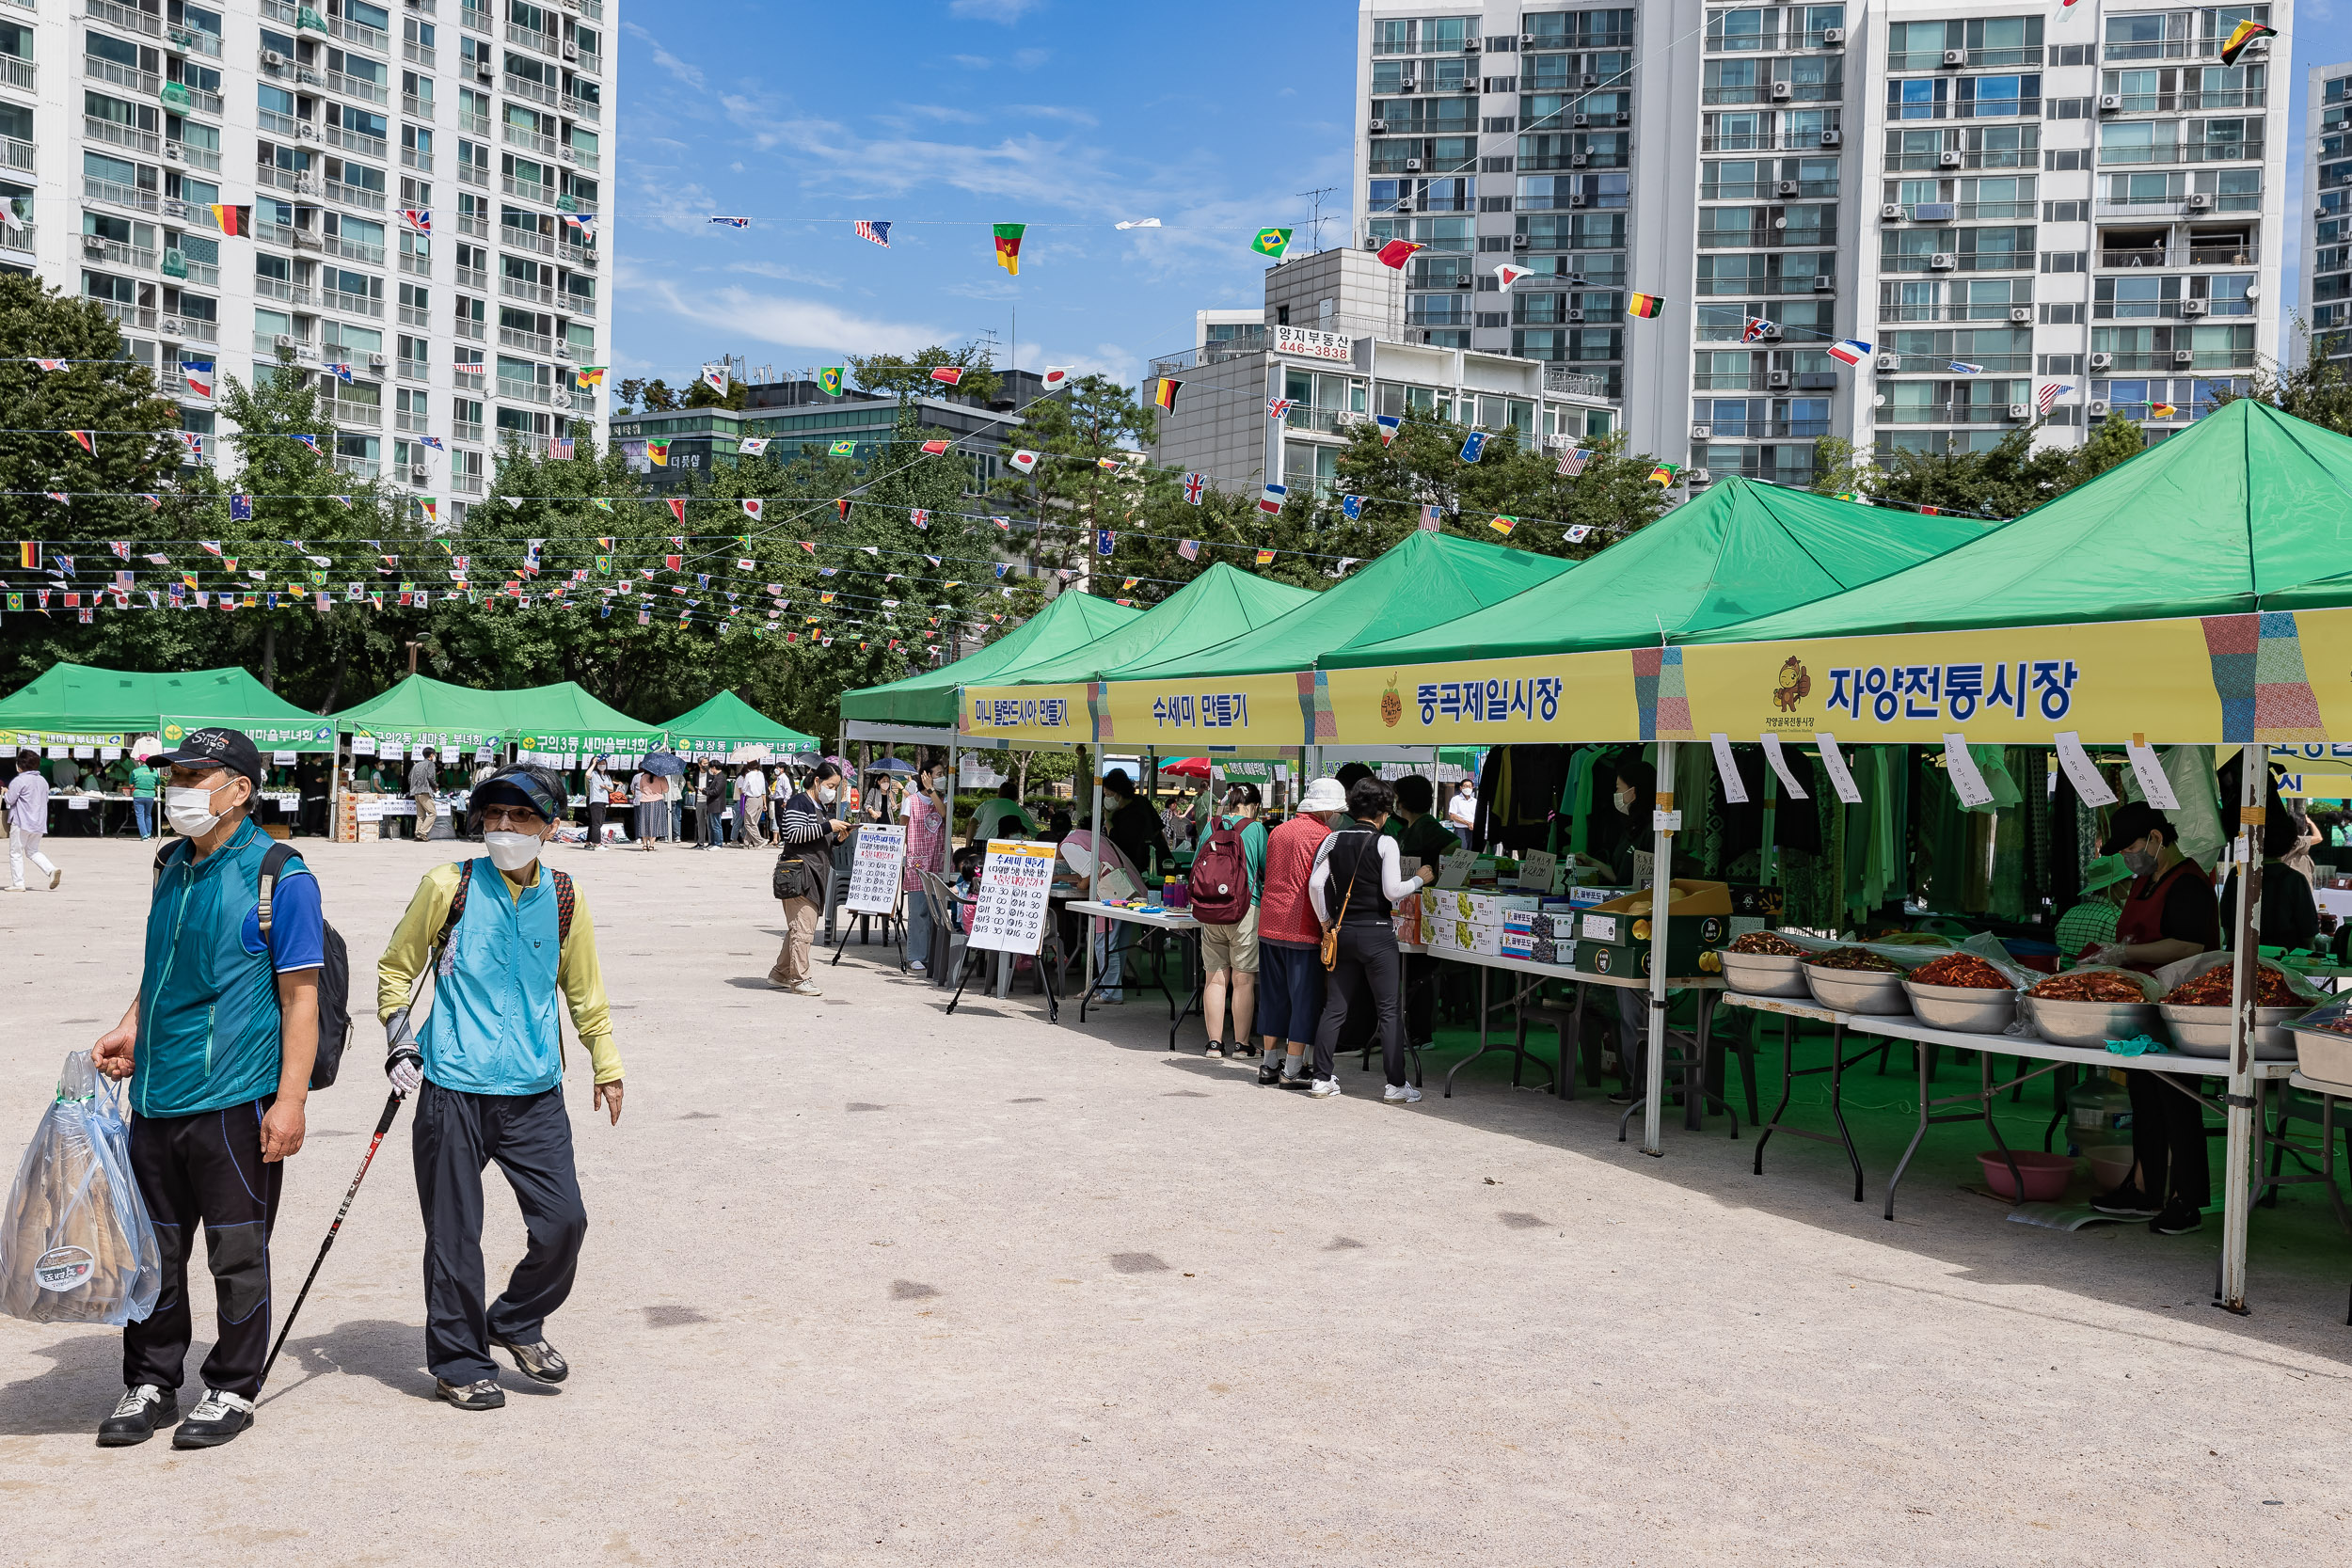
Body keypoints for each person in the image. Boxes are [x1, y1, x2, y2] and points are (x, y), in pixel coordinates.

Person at [89, 727, 322, 1449]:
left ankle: (231, 1384)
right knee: (152, 1252)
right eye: (176, 775)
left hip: (234, 1100)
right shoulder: (170, 864)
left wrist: (291, 1100)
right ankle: (154, 1379)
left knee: (237, 1250)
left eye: (195, 775)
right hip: (156, 1096)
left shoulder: (281, 874)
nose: (178, 788)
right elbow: (161, 964)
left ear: (240, 789)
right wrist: (132, 1023)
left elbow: (301, 998)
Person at [376, 763, 621, 1411]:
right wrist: (400, 1040)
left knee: (565, 1221)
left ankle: (514, 1317)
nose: (505, 828)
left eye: (521, 817)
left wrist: (607, 1061)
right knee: (454, 1235)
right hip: (453, 1087)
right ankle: (458, 1360)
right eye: (494, 815)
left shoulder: (565, 897)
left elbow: (584, 991)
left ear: (551, 827)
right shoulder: (447, 884)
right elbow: (396, 970)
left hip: (535, 1091)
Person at [2087, 800, 2221, 1235]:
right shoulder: (2146, 882)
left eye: (2131, 849)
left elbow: (2188, 946)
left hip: (2182, 1009)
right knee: (2144, 1098)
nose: (2129, 859)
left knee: (2179, 1102)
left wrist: (2127, 953)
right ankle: (2145, 1189)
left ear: (2157, 839)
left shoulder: (2189, 884)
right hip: (2145, 1007)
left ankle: (2188, 1200)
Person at [1306, 776, 1433, 1102]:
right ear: (1384, 812)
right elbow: (1392, 891)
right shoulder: (1386, 842)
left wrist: (1326, 923)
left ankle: (1321, 1078)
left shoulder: (1333, 839)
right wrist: (1419, 879)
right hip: (1377, 934)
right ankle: (1395, 1085)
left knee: (1334, 1007)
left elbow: (1317, 885)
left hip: (1343, 932)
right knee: (1389, 1010)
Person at [1253, 777, 1343, 1086]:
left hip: (1269, 922)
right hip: (1303, 926)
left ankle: (1268, 1064)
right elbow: (1318, 884)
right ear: (1329, 810)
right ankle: (1292, 1069)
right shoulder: (1326, 836)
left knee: (1273, 995)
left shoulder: (1278, 831)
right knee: (1303, 998)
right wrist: (1326, 921)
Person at [1194, 783, 1267, 1060]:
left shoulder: (1211, 826)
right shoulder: (1256, 829)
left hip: (1210, 908)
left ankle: (1214, 1044)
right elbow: (1266, 869)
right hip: (1245, 909)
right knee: (1243, 979)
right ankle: (1241, 1045)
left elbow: (1195, 866)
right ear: (1255, 805)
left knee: (1214, 976)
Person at [1387, 775, 1460, 1051]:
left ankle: (1421, 1033)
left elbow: (1454, 845)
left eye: (1397, 796)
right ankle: (1413, 1030)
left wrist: (1437, 875)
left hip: (1424, 907)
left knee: (1420, 973)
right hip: (1408, 907)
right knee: (1412, 972)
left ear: (1404, 800)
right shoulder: (1407, 828)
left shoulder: (1427, 826)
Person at [771, 761, 853, 995]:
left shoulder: (818, 805)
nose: (833, 791)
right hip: (799, 874)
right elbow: (793, 834)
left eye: (836, 787)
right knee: (804, 930)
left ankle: (779, 973)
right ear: (817, 781)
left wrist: (839, 837)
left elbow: (817, 839)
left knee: (798, 928)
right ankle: (800, 979)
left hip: (815, 873)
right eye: (830, 785)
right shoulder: (799, 802)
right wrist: (828, 826)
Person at [1089, 769, 1168, 1005]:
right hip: (1146, 876)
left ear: (1119, 792)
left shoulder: (1126, 816)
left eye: (1109, 793)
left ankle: (1110, 989)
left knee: (1108, 937)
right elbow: (1159, 833)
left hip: (1124, 881)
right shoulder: (1143, 804)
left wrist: (1109, 822)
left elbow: (1120, 846)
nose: (1107, 797)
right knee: (1121, 937)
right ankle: (1116, 984)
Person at [2220, 803, 2321, 954]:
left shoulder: (2238, 874)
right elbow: (2308, 930)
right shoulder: (2295, 879)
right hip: (2284, 958)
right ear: (2290, 844)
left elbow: (2226, 922)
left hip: (2241, 955)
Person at [900, 759, 950, 975]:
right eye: (937, 773)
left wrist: (932, 792)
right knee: (919, 910)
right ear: (925, 775)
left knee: (937, 912)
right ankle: (916, 956)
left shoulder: (943, 799)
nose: (941, 777)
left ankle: (933, 955)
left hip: (937, 861)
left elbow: (944, 815)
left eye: (942, 774)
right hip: (918, 862)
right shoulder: (910, 801)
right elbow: (902, 830)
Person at [2053, 853, 2135, 960]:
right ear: (2115, 884)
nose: (2132, 885)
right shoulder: (2117, 920)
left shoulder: (2069, 914)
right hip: (2098, 976)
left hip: (2063, 976)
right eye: (2130, 880)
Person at [7, 749, 61, 890]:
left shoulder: (19, 780)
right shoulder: (43, 781)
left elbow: (10, 799)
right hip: (39, 822)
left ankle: (18, 883)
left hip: (21, 822)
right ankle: (51, 870)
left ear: (20, 766)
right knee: (32, 851)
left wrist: (5, 792)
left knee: (16, 852)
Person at [967, 780, 1036, 845]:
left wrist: (967, 846)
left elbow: (972, 823)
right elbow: (1035, 833)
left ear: (999, 793)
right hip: (1006, 844)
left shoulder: (986, 804)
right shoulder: (1017, 810)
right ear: (1016, 796)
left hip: (981, 842)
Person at [630, 759, 668, 852]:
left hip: (644, 801)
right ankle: (651, 845)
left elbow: (641, 789)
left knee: (644, 823)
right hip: (657, 802)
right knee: (654, 824)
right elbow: (666, 790)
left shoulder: (642, 777)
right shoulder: (661, 777)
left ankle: (644, 845)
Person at [409, 748, 440, 842]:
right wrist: (435, 787)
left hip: (416, 792)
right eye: (434, 754)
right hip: (425, 792)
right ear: (431, 755)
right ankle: (422, 832)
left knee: (420, 815)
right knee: (432, 813)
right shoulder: (430, 764)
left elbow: (409, 778)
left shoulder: (416, 765)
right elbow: (431, 777)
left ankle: (417, 833)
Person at [581, 755, 612, 850]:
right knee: (596, 824)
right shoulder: (594, 774)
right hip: (595, 801)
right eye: (600, 763)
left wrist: (606, 787)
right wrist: (594, 763)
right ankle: (596, 843)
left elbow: (611, 789)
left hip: (603, 801)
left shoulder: (607, 776)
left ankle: (588, 843)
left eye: (603, 763)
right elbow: (587, 774)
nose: (602, 765)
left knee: (596, 823)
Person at [698, 761, 729, 849]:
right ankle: (712, 843)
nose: (711, 770)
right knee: (711, 825)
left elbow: (716, 791)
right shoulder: (716, 777)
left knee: (716, 825)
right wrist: (705, 789)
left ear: (714, 768)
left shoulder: (721, 778)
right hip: (712, 804)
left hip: (717, 804)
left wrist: (704, 792)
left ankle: (718, 844)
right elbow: (712, 788)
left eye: (711, 768)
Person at [737, 761, 769, 847]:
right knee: (753, 822)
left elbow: (744, 788)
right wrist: (764, 803)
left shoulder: (749, 775)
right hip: (760, 799)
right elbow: (763, 790)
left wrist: (746, 791)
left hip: (751, 799)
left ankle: (760, 840)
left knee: (749, 823)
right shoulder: (761, 774)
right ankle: (747, 842)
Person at [1444, 777, 1480, 852]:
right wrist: (1467, 823)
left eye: (1470, 786)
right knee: (1462, 852)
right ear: (1461, 788)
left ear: (1473, 788)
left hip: (1474, 830)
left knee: (1473, 852)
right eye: (1465, 786)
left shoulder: (1475, 801)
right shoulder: (1456, 799)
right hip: (1461, 830)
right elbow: (1452, 816)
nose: (1468, 788)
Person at [130, 753, 160, 841]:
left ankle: (144, 835)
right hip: (150, 795)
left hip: (138, 795)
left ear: (140, 761)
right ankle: (148, 834)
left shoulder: (135, 771)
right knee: (148, 815)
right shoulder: (154, 771)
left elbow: (131, 785)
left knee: (140, 815)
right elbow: (158, 783)